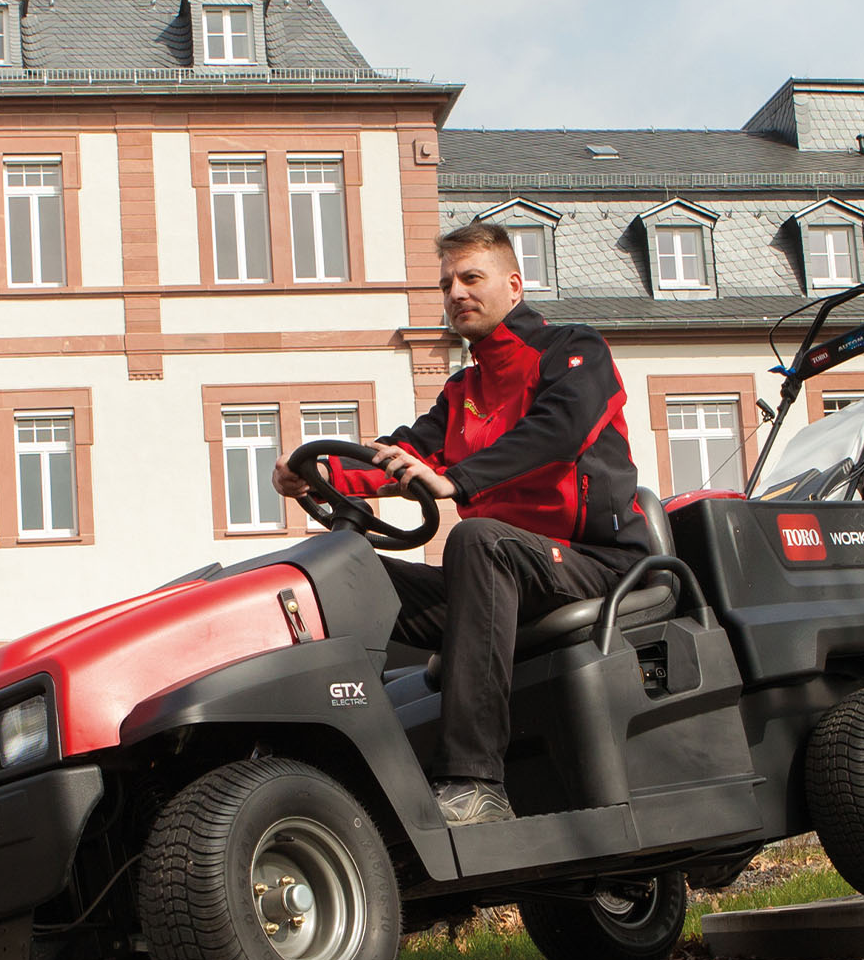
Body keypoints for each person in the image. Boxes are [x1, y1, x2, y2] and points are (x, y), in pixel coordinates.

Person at [273, 221, 651, 825]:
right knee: (343, 576)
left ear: (514, 285)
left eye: (471, 277)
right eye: (447, 282)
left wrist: (462, 480)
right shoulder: (464, 389)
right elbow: (407, 453)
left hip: (595, 564)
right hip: (498, 580)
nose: (456, 292)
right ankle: (339, 781)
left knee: (475, 538)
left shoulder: (575, 353)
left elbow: (561, 430)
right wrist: (317, 473)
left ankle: (475, 784)